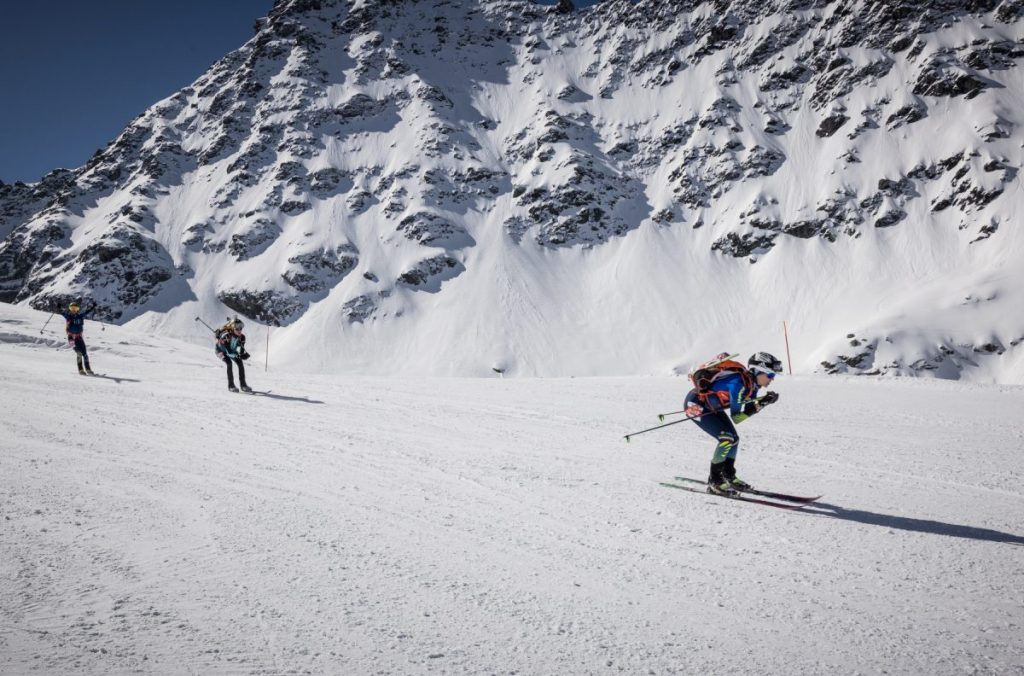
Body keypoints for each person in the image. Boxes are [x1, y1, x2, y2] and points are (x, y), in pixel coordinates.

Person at [683, 352, 783, 495]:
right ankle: (715, 481)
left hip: (711, 407)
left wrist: (763, 402)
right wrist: (762, 404)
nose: (772, 380)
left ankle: (728, 476)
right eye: (770, 375)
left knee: (734, 439)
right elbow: (737, 418)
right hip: (695, 405)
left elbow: (749, 409)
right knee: (726, 438)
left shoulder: (752, 385)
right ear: (758, 371)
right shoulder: (740, 384)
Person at [215, 318, 252, 393]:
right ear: (232, 328)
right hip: (221, 351)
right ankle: (231, 386)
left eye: (240, 328)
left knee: (240, 362)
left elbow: (241, 351)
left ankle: (243, 385)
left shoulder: (242, 337)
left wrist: (243, 355)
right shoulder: (226, 336)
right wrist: (238, 356)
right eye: (237, 328)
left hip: (231, 351)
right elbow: (228, 352)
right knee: (229, 363)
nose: (239, 330)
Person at [61, 301, 95, 375]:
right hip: (71, 339)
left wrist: (92, 307)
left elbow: (87, 312)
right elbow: (62, 313)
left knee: (85, 354)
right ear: (70, 309)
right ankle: (80, 370)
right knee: (79, 353)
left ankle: (88, 369)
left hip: (79, 338)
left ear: (77, 309)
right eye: (72, 308)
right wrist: (59, 307)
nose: (73, 310)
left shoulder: (80, 316)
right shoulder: (68, 316)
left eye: (75, 308)